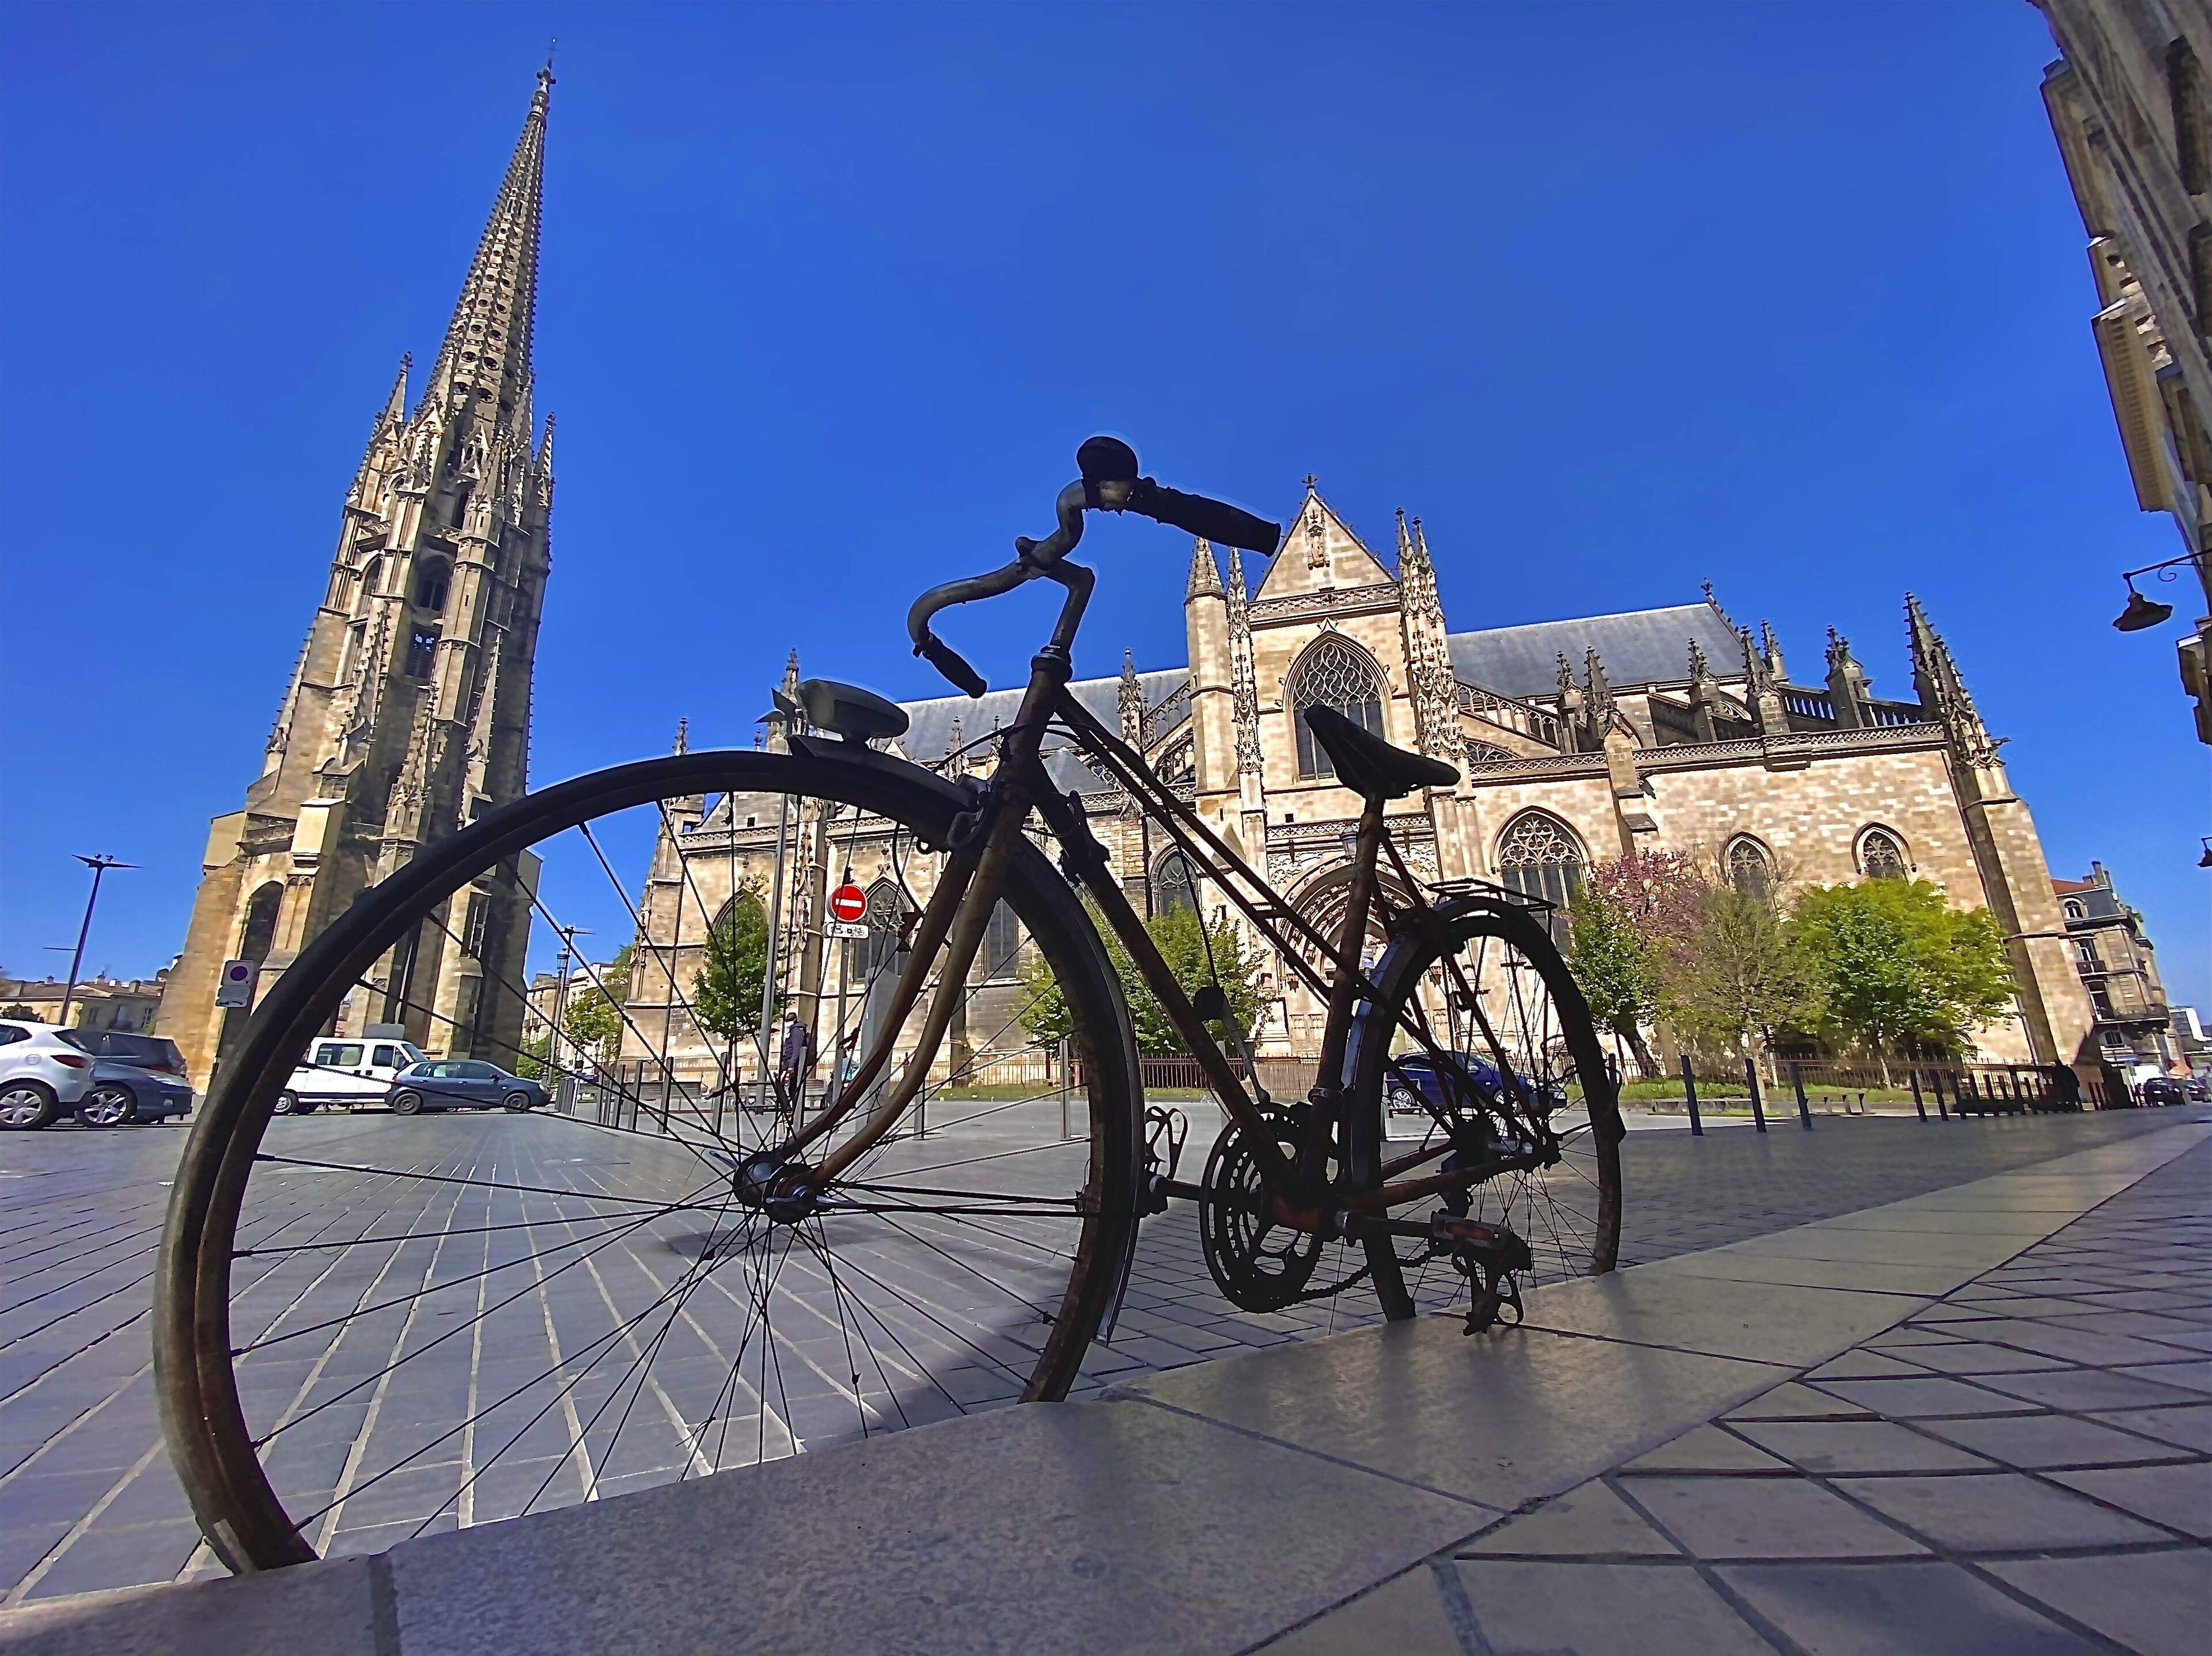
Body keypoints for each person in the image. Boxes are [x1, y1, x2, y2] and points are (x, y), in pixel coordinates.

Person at [775, 1010, 815, 1119]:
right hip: (790, 1062)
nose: (787, 1022)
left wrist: (791, 1065)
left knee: (779, 1083)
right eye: (786, 1020)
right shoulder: (794, 1030)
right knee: (792, 1087)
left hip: (791, 1063)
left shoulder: (797, 1031)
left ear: (794, 1020)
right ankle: (794, 1110)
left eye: (789, 1020)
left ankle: (788, 1108)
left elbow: (797, 1049)